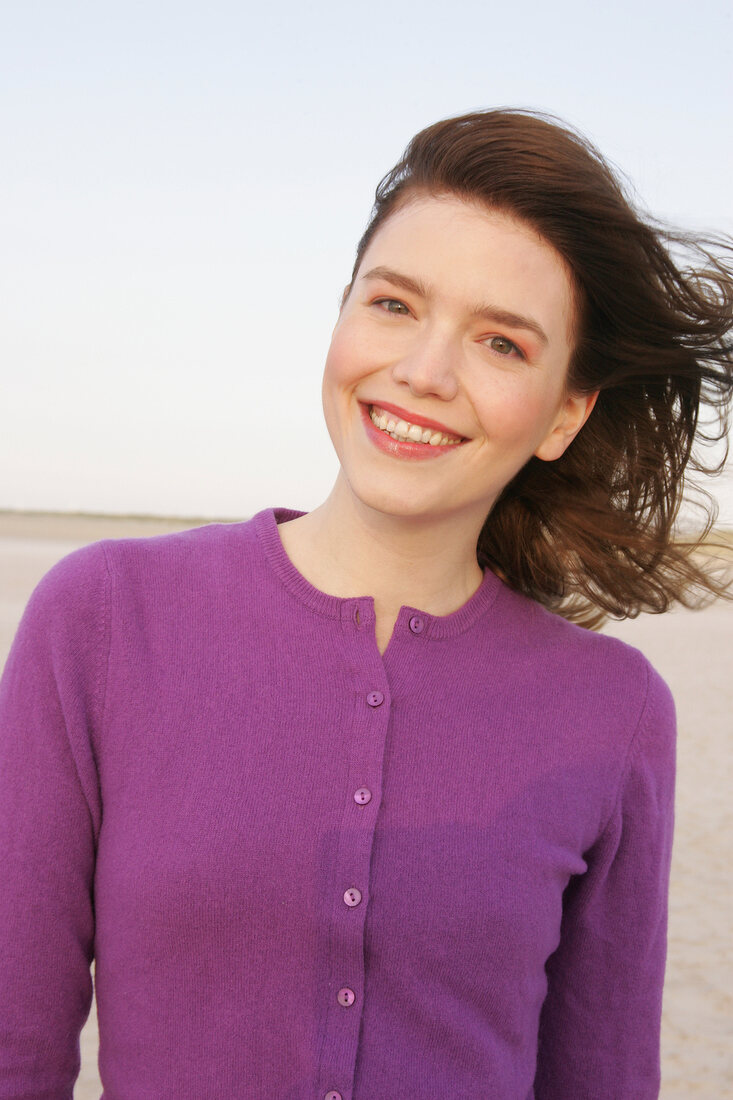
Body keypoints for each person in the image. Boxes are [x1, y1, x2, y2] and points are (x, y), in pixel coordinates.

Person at [1, 109, 731, 1100]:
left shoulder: (617, 708)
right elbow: (16, 1044)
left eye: (502, 343)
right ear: (343, 310)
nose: (423, 373)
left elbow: (602, 1075)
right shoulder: (104, 618)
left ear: (565, 410)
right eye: (392, 305)